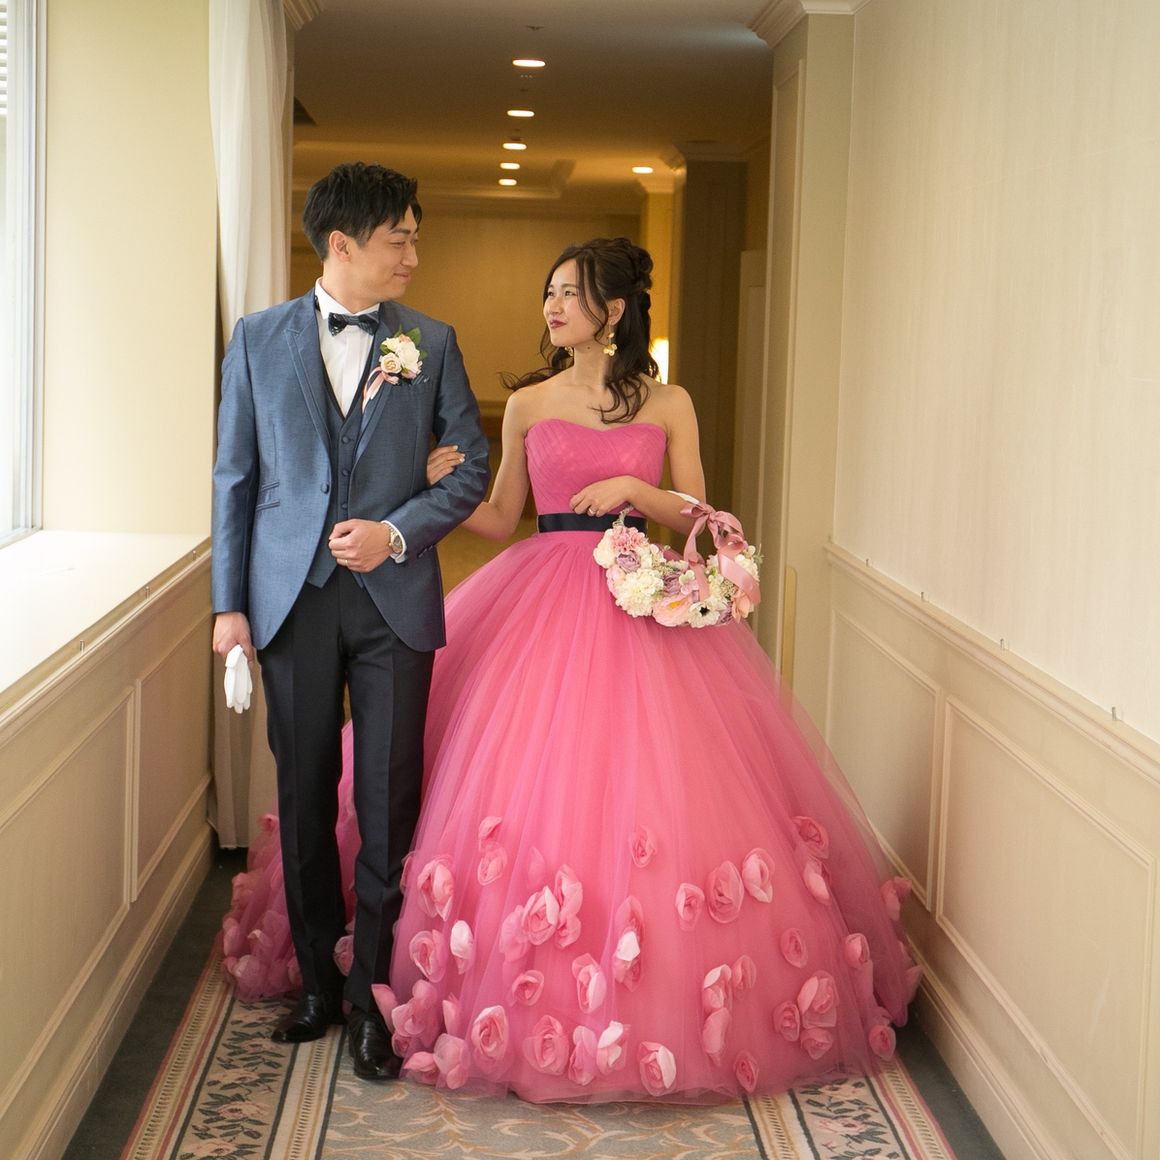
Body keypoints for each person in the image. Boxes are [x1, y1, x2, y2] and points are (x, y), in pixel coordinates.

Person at [222, 236, 921, 1102]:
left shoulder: (670, 402)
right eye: (548, 293)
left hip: (636, 598)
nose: (551, 307)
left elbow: (700, 514)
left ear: (613, 310)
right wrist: (432, 486)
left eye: (569, 293)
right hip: (541, 596)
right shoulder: (528, 403)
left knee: (650, 788)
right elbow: (501, 514)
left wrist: (636, 494)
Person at [211, 162, 489, 1081]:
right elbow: (236, 479)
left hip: (392, 602)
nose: (413, 254)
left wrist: (396, 532)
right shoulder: (257, 339)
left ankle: (372, 994)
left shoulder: (431, 342)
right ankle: (317, 986)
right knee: (301, 794)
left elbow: (471, 468)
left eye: (415, 237)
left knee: (387, 798)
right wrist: (228, 605)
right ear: (341, 243)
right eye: (399, 238)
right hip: (289, 599)